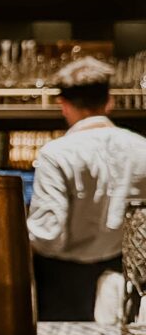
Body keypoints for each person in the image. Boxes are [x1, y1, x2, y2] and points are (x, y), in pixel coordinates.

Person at [27, 56, 146, 321]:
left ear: (63, 105)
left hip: (63, 288)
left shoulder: (55, 154)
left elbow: (48, 235)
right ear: (110, 101)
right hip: (127, 283)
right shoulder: (142, 149)